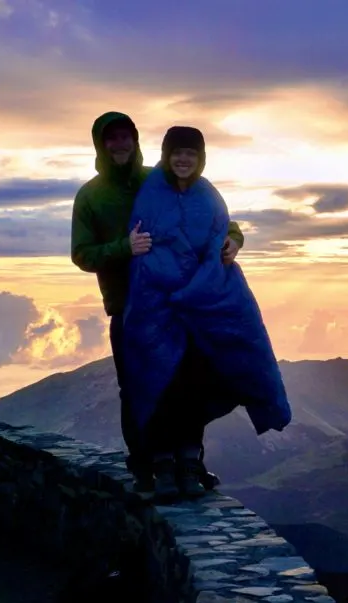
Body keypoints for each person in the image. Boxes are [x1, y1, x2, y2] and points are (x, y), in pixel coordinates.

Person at [70, 112, 245, 494]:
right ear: (100, 144)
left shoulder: (159, 177)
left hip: (176, 303)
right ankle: (145, 466)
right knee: (135, 387)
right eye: (111, 138)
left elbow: (210, 215)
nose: (119, 144)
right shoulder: (91, 195)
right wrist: (124, 248)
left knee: (186, 384)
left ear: (135, 141)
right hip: (127, 304)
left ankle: (188, 465)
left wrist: (234, 238)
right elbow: (82, 254)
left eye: (125, 137)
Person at [120, 125, 292, 500]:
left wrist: (232, 243)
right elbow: (152, 247)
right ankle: (163, 464)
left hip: (203, 307)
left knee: (195, 385)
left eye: (191, 154)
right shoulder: (151, 193)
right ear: (165, 156)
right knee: (162, 383)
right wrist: (180, 290)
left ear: (201, 159)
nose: (183, 160)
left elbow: (221, 235)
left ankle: (188, 462)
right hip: (160, 309)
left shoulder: (208, 195)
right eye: (177, 153)